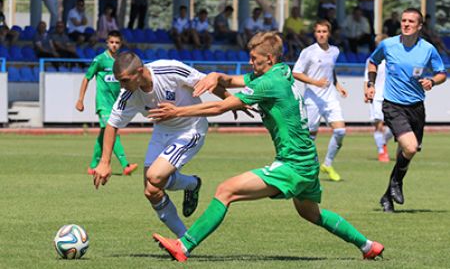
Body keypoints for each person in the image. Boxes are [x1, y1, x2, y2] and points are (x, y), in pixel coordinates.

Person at [147, 31, 384, 262]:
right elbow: (233, 81)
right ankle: (368, 245)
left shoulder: (269, 82)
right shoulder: (282, 71)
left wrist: (177, 111)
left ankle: (184, 245)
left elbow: (221, 107)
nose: (249, 63)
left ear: (269, 59)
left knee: (225, 190)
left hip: (293, 164)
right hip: (307, 160)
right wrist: (216, 75)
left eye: (254, 59)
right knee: (311, 214)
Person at [92, 51, 238, 238]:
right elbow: (112, 124)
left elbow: (207, 83)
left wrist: (231, 100)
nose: (122, 86)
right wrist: (105, 162)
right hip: (162, 132)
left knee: (155, 175)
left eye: (125, 80)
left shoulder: (170, 70)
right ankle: (184, 237)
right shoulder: (127, 94)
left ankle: (190, 196)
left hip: (190, 129)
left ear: (139, 71)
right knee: (151, 190)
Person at [365, 8, 446, 213]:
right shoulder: (388, 44)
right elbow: (373, 61)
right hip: (392, 105)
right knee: (409, 148)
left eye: (411, 21)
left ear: (419, 26)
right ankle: (397, 184)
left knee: (408, 151)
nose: (406, 24)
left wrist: (432, 81)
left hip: (417, 107)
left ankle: (387, 196)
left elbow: (441, 73)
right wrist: (370, 84)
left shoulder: (427, 49)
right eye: (403, 21)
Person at [76, 30, 138, 176]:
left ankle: (92, 167)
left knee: (104, 134)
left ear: (121, 44)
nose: (114, 45)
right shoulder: (100, 60)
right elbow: (87, 78)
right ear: (107, 43)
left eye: (117, 43)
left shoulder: (121, 62)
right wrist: (80, 99)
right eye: (112, 42)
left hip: (116, 104)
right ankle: (125, 165)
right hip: (103, 104)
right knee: (113, 132)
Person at [292, 20, 347, 182]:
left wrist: (337, 85)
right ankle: (308, 166)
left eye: (324, 31)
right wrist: (315, 82)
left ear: (329, 33)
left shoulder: (335, 51)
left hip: (330, 97)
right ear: (314, 33)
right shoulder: (308, 52)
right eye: (318, 32)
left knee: (340, 131)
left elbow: (331, 70)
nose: (321, 34)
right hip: (313, 99)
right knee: (310, 136)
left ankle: (328, 164)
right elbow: (296, 73)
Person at [363, 34, 393, 163]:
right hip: (376, 96)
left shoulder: (393, 59)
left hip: (391, 96)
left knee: (393, 127)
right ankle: (382, 151)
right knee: (378, 124)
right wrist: (366, 92)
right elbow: (366, 78)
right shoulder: (372, 60)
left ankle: (382, 142)